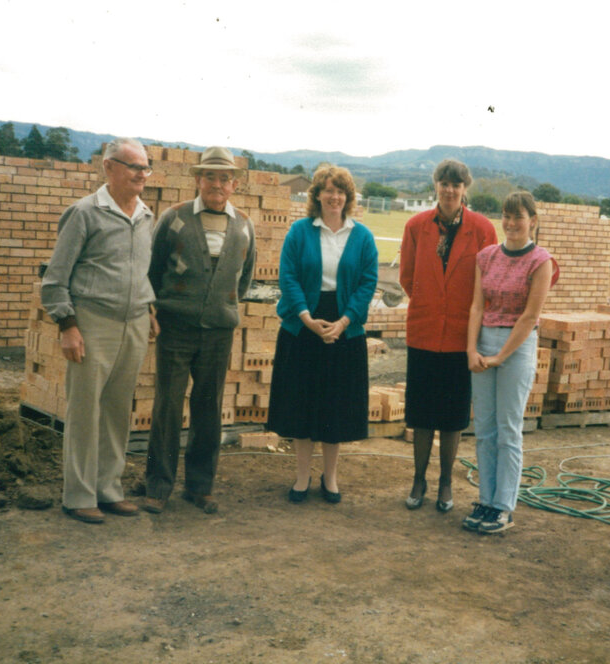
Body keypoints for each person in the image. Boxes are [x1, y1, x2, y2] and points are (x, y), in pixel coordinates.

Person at [41, 137, 158, 524]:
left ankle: (109, 490)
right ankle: (78, 496)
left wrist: (149, 307)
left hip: (134, 324)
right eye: (134, 167)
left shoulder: (146, 216)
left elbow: (140, 271)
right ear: (108, 167)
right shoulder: (84, 213)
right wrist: (68, 326)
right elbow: (55, 279)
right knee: (85, 411)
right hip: (92, 324)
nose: (142, 174)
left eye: (145, 167)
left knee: (115, 411)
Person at [142, 147, 256, 515]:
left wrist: (218, 307)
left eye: (224, 178)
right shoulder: (173, 219)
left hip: (218, 333)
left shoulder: (243, 225)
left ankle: (200, 486)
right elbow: (152, 269)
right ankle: (158, 486)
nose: (217, 184)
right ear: (197, 180)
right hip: (176, 328)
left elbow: (244, 279)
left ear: (233, 184)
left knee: (209, 409)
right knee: (168, 407)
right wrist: (155, 310)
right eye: (210, 176)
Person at [267, 165, 378, 504]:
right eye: (328, 190)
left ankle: (330, 477)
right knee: (302, 405)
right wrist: (307, 318)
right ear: (316, 195)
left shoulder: (362, 236)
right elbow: (288, 278)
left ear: (348, 197)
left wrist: (344, 322)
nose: (334, 197)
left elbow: (367, 282)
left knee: (335, 407)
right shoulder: (299, 232)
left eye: (340, 191)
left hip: (344, 327)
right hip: (303, 326)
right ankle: (302, 477)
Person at [399, 159, 497, 513]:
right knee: (422, 413)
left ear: (465, 189)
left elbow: (486, 283)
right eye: (444, 183)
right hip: (424, 332)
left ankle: (445, 483)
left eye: (457, 184)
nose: (450, 190)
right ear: (436, 186)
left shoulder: (483, 229)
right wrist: (432, 303)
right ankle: (418, 480)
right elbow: (408, 277)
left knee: (453, 416)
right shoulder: (416, 226)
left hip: (461, 336)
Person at [463, 191, 559, 533]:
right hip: (484, 341)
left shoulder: (541, 261)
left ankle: (504, 506)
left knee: (508, 430)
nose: (511, 223)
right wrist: (472, 349)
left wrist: (500, 357)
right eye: (506, 215)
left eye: (518, 217)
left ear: (532, 220)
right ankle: (486, 501)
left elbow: (530, 315)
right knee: (484, 430)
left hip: (516, 348)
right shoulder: (486, 256)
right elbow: (477, 306)